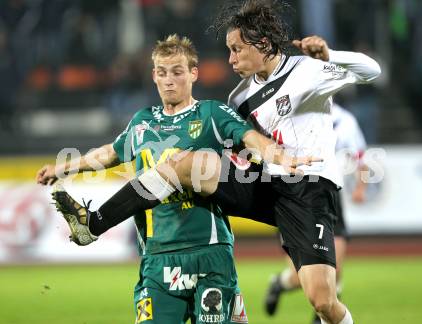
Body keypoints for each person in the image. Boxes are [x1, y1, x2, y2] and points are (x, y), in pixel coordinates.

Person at [39, 1, 380, 323]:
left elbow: (372, 70)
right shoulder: (239, 96)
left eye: (236, 49)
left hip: (306, 188)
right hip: (262, 184)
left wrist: (330, 55)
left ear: (261, 44)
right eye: (230, 50)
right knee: (183, 164)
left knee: (322, 299)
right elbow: (246, 144)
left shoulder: (306, 72)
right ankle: (94, 223)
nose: (230, 59)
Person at [36, 34, 306, 324]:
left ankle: (95, 223)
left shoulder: (211, 114)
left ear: (193, 73)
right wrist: (64, 167)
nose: (169, 80)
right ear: (154, 75)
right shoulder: (142, 122)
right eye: (162, 73)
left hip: (210, 252)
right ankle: (94, 224)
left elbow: (250, 137)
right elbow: (109, 154)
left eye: (177, 72)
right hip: (158, 256)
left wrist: (277, 155)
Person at [264, 102, 369, 323]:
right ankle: (279, 284)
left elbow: (362, 158)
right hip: (296, 195)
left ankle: (321, 317)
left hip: (330, 194)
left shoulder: (345, 120)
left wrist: (361, 187)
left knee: (335, 269)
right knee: (298, 276)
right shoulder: (293, 110)